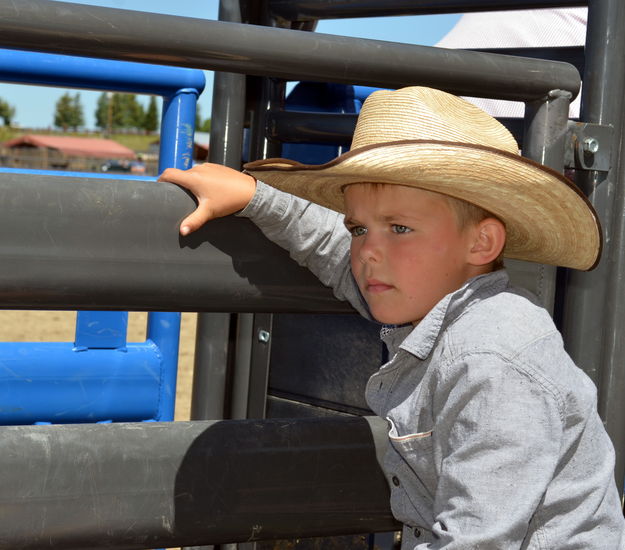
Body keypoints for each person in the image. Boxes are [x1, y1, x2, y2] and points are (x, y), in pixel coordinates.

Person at [159, 87, 625, 549]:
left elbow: (479, 539)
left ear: (482, 243)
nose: (368, 253)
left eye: (399, 228)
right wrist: (255, 196)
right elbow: (332, 249)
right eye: (360, 227)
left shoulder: (492, 360)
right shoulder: (428, 296)